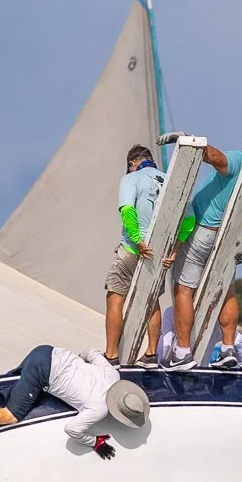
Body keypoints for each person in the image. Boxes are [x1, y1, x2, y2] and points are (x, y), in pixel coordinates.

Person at [171, 134, 242, 360]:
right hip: (231, 242)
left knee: (184, 290)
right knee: (226, 293)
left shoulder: (238, 160)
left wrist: (190, 142)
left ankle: (182, 351)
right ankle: (227, 348)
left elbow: (213, 156)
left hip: (203, 233)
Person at [0, 344, 150, 466]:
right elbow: (72, 430)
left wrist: (77, 368)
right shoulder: (100, 408)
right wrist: (94, 442)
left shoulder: (112, 374)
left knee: (12, 383)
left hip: (49, 351)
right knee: (12, 415)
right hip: (43, 371)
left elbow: (90, 351)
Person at [103, 145, 167, 364]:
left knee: (115, 297)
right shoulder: (169, 179)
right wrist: (175, 250)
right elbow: (188, 219)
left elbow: (127, 210)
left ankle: (111, 355)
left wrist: (138, 241)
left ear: (132, 164)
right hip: (158, 252)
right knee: (152, 302)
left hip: (132, 249)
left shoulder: (131, 178)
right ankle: (151, 353)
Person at [154, 305, 242, 369]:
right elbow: (238, 339)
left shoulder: (171, 311)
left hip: (177, 369)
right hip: (203, 371)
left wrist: (159, 365)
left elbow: (165, 348)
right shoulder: (213, 319)